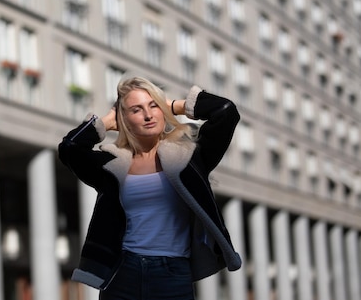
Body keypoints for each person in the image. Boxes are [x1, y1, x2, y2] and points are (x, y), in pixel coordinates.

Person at [58, 76, 242, 300]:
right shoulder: (110, 164)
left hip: (173, 272)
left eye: (153, 105)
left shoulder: (190, 156)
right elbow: (70, 148)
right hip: (122, 271)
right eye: (136, 110)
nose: (147, 115)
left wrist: (173, 106)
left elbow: (226, 111)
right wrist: (107, 121)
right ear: (124, 118)